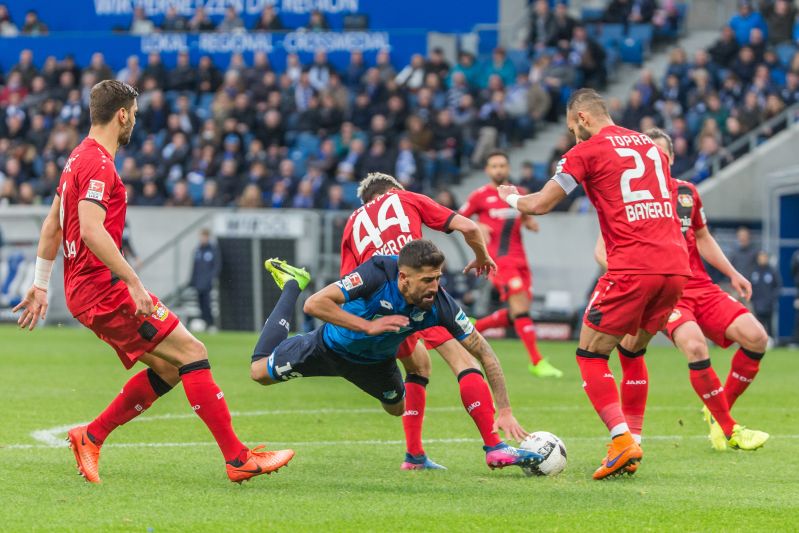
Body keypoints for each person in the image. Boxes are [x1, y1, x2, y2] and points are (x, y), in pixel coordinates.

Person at [12, 80, 293, 484]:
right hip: (103, 289)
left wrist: (41, 284)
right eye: (135, 116)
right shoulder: (97, 163)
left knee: (171, 367)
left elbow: (52, 225)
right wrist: (134, 282)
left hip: (87, 291)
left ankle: (90, 436)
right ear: (122, 114)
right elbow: (90, 230)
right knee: (192, 352)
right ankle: (237, 459)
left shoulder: (76, 158)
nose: (135, 125)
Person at [496, 89, 692, 479]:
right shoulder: (648, 145)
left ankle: (621, 440)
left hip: (633, 266)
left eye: (572, 128)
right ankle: (632, 441)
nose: (573, 137)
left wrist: (512, 197)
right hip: (675, 266)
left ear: (583, 118)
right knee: (632, 352)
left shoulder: (585, 152)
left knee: (589, 354)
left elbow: (541, 204)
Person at [249, 240, 543, 471]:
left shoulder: (441, 304)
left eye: (438, 278)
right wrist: (369, 326)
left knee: (396, 408)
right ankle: (292, 283)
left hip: (375, 366)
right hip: (326, 348)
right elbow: (315, 304)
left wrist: (503, 410)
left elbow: (484, 352)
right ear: (403, 277)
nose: (434, 287)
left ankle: (415, 455)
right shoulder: (376, 273)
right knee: (259, 373)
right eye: (427, 280)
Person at [341, 173, 530, 470]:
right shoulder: (405, 198)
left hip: (377, 304)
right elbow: (468, 226)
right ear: (393, 190)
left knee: (418, 365)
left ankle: (414, 455)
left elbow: (348, 284)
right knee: (465, 358)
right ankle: (495, 447)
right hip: (417, 290)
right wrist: (481, 256)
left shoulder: (353, 221)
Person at [596, 129, 769, 453]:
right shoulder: (631, 196)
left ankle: (718, 411)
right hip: (665, 289)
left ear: (671, 159)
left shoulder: (687, 193)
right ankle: (730, 429)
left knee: (756, 337)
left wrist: (732, 273)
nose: (657, 160)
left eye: (662, 154)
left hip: (701, 285)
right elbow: (601, 249)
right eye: (652, 154)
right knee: (695, 346)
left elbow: (702, 238)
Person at [461, 151, 563, 378]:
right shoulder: (480, 196)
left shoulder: (519, 193)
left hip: (521, 260)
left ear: (508, 168)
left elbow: (525, 213)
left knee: (518, 310)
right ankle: (536, 361)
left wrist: (529, 222)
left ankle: (472, 327)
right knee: (520, 305)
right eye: (494, 166)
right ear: (487, 170)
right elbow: (458, 217)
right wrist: (478, 225)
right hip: (499, 261)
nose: (498, 169)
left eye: (502, 165)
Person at [190, 228, 221, 330]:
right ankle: (203, 323)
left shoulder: (213, 250)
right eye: (201, 237)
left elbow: (217, 266)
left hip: (207, 283)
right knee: (200, 304)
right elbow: (194, 267)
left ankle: (210, 324)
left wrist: (211, 278)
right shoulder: (197, 250)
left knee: (207, 304)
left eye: (204, 237)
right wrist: (192, 280)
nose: (202, 239)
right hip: (198, 282)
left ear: (208, 237)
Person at [751, 250, 781, 338]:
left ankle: (771, 339)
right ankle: (757, 340)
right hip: (756, 304)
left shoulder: (772, 271)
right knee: (757, 325)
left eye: (764, 257)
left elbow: (778, 286)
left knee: (770, 324)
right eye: (760, 257)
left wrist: (772, 299)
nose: (762, 259)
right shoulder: (754, 272)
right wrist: (753, 299)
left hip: (769, 305)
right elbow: (750, 286)